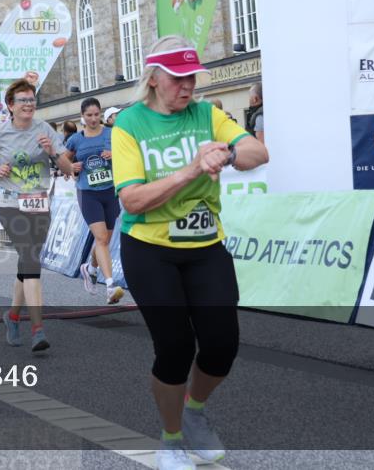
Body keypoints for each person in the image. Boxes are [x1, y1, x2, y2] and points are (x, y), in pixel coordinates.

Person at [112, 36, 268, 470]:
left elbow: (259, 151)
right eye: (178, 79)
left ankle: (194, 411)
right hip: (150, 248)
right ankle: (172, 437)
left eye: (192, 79)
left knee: (222, 346)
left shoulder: (207, 113)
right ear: (155, 78)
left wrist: (229, 152)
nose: (187, 87)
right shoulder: (130, 124)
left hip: (204, 246)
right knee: (175, 348)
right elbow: (133, 201)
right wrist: (192, 169)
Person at [0, 73, 74, 353]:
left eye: (32, 100)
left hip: (40, 204)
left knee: (27, 263)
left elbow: (68, 170)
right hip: (11, 205)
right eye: (23, 101)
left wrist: (53, 153)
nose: (29, 105)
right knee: (31, 262)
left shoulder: (45, 129)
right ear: (10, 105)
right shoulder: (0, 133)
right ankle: (38, 328)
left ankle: (13, 315)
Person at [60, 97, 124, 304]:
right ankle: (110, 286)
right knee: (102, 239)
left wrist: (115, 155)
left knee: (105, 238)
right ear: (82, 117)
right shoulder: (75, 140)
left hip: (110, 191)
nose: (94, 119)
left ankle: (90, 268)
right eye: (89, 115)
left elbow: (128, 154)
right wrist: (70, 168)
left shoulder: (112, 134)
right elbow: (63, 160)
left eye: (97, 114)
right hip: (88, 194)